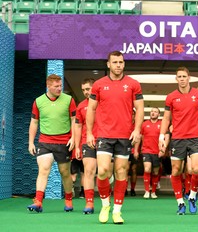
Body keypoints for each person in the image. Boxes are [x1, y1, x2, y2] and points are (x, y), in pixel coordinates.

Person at [86, 51, 144, 224]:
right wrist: (89, 132)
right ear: (108, 64)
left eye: (121, 62)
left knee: (120, 172)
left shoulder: (133, 84)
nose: (118, 65)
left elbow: (140, 108)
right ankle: (105, 205)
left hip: (125, 135)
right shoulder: (98, 84)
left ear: (124, 64)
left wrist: (137, 129)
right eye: (115, 62)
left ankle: (117, 211)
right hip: (104, 134)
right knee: (103, 170)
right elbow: (91, 109)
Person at [159, 67, 198, 215]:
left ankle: (192, 197)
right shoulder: (171, 97)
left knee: (195, 169)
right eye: (179, 76)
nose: (182, 79)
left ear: (189, 78)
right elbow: (167, 118)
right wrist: (162, 136)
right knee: (176, 171)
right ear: (176, 79)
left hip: (195, 138)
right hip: (178, 139)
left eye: (184, 76)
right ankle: (180, 203)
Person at [27, 74, 76, 213]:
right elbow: (34, 122)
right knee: (43, 170)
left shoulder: (69, 100)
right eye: (56, 86)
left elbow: (74, 120)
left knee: (65, 172)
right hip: (45, 142)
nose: (59, 88)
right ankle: (38, 202)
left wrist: (73, 138)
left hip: (64, 142)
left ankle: (68, 199)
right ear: (48, 86)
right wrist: (31, 142)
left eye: (60, 86)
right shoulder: (38, 101)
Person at [74, 78, 97, 214]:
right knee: (88, 171)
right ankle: (89, 202)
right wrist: (77, 146)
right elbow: (77, 126)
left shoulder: (103, 103)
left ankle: (106, 198)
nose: (85, 92)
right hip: (86, 142)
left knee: (104, 172)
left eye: (88, 89)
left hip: (104, 141)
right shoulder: (81, 106)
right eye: (83, 90)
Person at [135, 107, 164, 199]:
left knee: (155, 172)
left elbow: (165, 138)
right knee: (147, 169)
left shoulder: (162, 124)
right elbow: (140, 138)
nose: (153, 113)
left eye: (155, 112)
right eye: (152, 111)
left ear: (158, 114)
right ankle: (147, 191)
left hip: (157, 151)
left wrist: (163, 150)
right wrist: (136, 150)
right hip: (146, 150)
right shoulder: (144, 124)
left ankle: (153, 192)